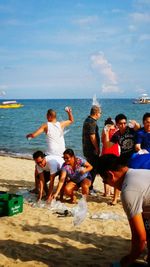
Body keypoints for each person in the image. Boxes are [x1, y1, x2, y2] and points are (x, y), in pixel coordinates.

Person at [97, 154, 150, 266]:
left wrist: (128, 260)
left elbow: (140, 237)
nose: (107, 184)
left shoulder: (129, 191)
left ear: (110, 175)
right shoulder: (138, 172)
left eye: (105, 181)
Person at [82, 105, 101, 194]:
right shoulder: (92, 122)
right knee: (93, 169)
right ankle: (89, 187)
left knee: (91, 168)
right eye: (100, 113)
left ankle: (89, 186)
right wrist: (97, 148)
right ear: (96, 113)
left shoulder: (87, 120)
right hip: (91, 150)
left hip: (86, 148)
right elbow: (92, 136)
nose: (100, 115)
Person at [101, 117, 120, 205]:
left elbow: (102, 141)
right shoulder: (116, 129)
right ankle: (113, 194)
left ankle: (106, 192)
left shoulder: (105, 129)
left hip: (106, 152)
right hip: (114, 153)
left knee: (106, 173)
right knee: (115, 174)